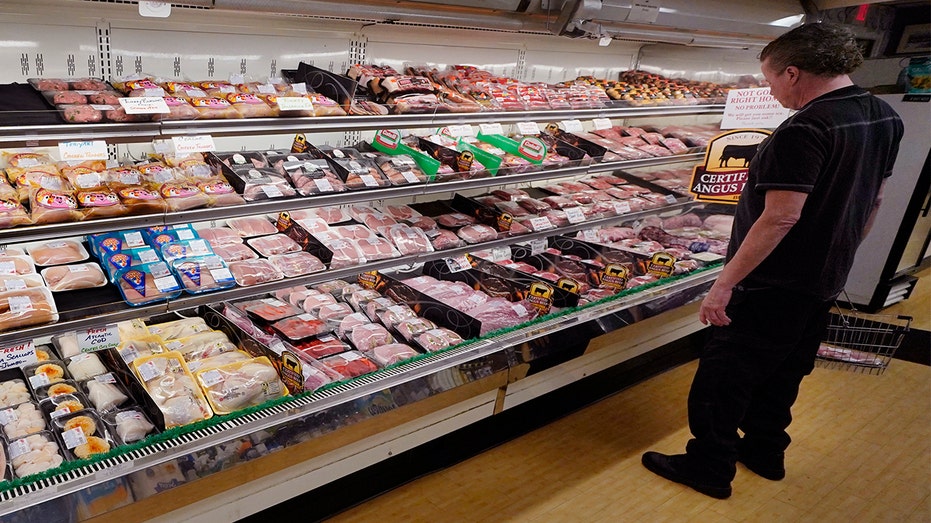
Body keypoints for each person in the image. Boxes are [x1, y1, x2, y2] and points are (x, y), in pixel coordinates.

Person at [641, 22, 904, 499]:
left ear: (793, 72)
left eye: (769, 80)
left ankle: (709, 467)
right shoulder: (882, 115)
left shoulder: (803, 129)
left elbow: (781, 218)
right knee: (785, 371)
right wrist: (840, 255)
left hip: (772, 281)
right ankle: (765, 451)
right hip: (822, 277)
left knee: (724, 378)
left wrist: (725, 283)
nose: (770, 90)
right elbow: (874, 201)